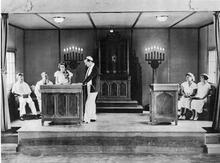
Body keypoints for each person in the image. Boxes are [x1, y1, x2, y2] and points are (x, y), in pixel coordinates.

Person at [82, 56, 98, 123]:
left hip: (93, 87)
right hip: (90, 87)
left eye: (86, 63)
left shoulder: (94, 68)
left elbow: (90, 76)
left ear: (90, 61)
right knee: (92, 102)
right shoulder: (89, 68)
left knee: (88, 103)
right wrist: (84, 83)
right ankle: (93, 117)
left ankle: (86, 119)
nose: (85, 64)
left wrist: (83, 82)